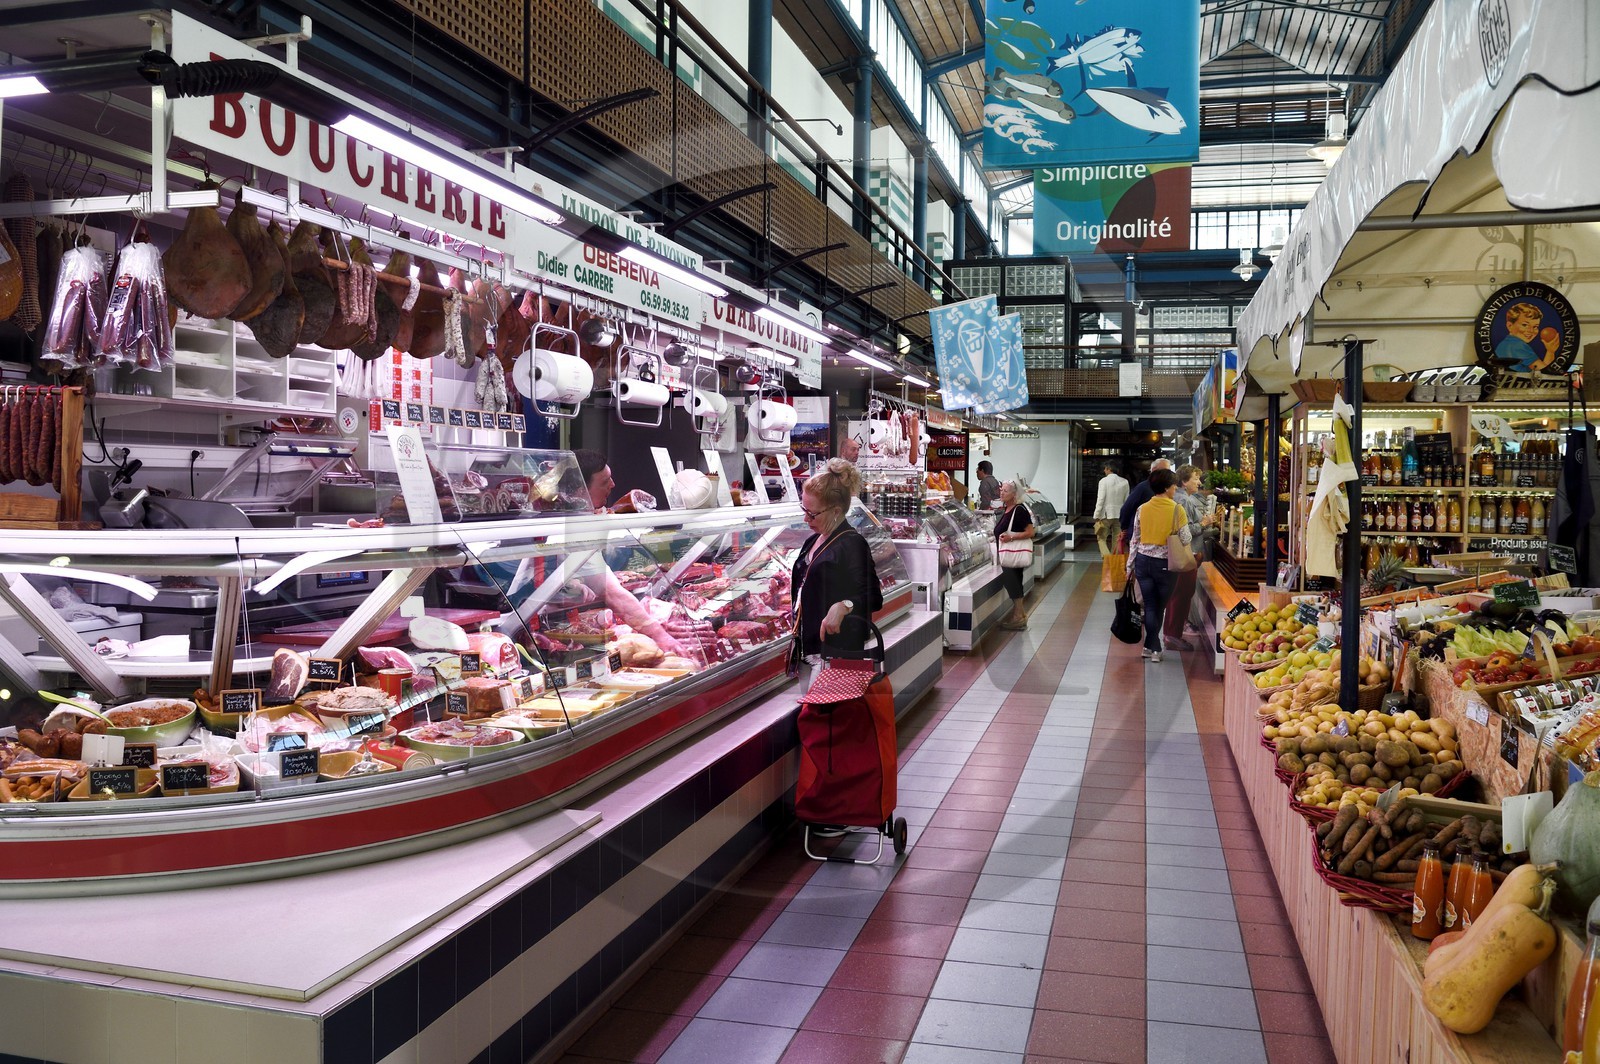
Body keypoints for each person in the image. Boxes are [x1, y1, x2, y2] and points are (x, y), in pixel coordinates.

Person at [790, 458, 883, 691]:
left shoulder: (852, 544)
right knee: (816, 721)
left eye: (812, 514)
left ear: (836, 511)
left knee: (825, 722)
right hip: (810, 652)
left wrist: (845, 605)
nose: (805, 519)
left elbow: (873, 596)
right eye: (804, 510)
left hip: (835, 654)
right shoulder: (814, 539)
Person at [1129, 468, 1193, 663]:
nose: (1175, 489)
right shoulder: (1176, 509)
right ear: (1166, 487)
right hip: (1165, 565)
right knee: (1159, 607)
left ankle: (1149, 647)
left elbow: (1135, 539)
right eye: (1173, 486)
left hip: (1142, 562)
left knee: (1149, 605)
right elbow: (1185, 537)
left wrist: (1129, 566)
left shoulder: (1142, 509)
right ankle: (1155, 648)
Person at [1162, 464, 1216, 650]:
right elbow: (1185, 532)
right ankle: (1172, 635)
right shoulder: (1184, 501)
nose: (1199, 482)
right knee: (1181, 595)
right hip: (1187, 554)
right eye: (1195, 478)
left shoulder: (1182, 498)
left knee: (1177, 595)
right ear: (1184, 482)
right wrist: (1204, 522)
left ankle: (1172, 632)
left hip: (1185, 554)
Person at [994, 480, 1035, 630]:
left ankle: (1018, 617)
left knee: (1014, 583)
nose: (1001, 493)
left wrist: (1011, 538)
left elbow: (1031, 532)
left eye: (1005, 491)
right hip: (1006, 553)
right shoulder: (1007, 509)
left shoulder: (1019, 510)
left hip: (1012, 553)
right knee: (1014, 583)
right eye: (1001, 490)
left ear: (1014, 494)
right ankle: (1020, 616)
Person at [1118, 457, 1174, 552]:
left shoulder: (1167, 488)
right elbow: (1126, 509)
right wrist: (1125, 528)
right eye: (1165, 471)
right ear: (1154, 471)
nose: (1168, 474)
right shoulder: (1143, 487)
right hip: (1141, 535)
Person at [1494, 302, 1558, 373]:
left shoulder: (1504, 344)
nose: (1531, 331)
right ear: (1510, 326)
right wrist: (1550, 352)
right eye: (1525, 325)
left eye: (1535, 327)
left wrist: (1550, 351)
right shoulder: (1518, 345)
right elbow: (1545, 373)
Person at [1092, 462, 1130, 556]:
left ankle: (1107, 559)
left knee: (1101, 538)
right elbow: (1126, 500)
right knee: (1117, 539)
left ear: (1109, 469)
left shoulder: (1103, 481)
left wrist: (1096, 515)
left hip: (1106, 515)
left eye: (1105, 468)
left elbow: (1101, 499)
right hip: (1119, 515)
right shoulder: (1125, 482)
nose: (1104, 470)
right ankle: (1114, 561)